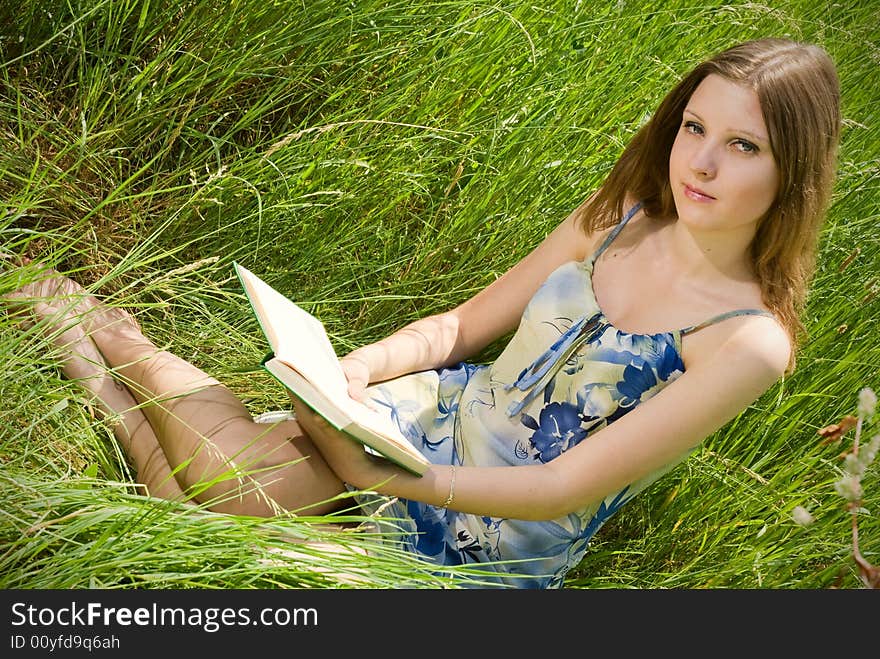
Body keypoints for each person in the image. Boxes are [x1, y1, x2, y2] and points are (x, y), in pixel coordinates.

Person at [6, 37, 841, 588]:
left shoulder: (748, 343)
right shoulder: (627, 208)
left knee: (237, 524)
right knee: (237, 487)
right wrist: (353, 372)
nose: (699, 161)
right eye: (694, 126)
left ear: (793, 171)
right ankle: (118, 344)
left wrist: (384, 478)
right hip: (425, 424)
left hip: (490, 543)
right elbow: (463, 326)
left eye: (743, 145)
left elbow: (559, 488)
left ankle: (104, 358)